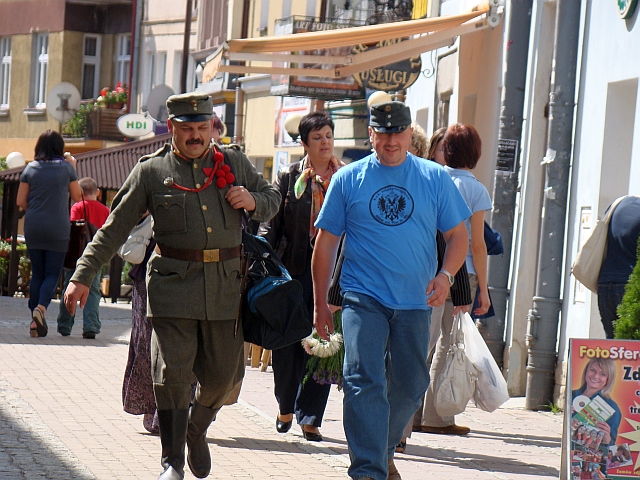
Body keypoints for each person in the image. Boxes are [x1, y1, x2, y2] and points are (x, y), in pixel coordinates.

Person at [64, 92, 280, 480]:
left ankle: (195, 431)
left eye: (202, 127)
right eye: (187, 129)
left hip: (225, 288)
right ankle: (172, 462)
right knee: (171, 374)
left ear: (212, 126)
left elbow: (272, 197)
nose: (196, 136)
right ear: (173, 129)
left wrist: (252, 200)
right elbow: (113, 229)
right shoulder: (151, 171)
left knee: (223, 378)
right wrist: (83, 274)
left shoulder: (233, 162)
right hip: (172, 287)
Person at [312, 101, 471, 480]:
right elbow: (326, 245)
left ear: (409, 134)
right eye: (382, 133)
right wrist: (320, 305)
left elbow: (458, 237)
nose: (390, 141)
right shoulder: (349, 179)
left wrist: (446, 276)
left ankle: (380, 451)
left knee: (412, 383)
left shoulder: (434, 178)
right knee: (362, 378)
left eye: (397, 132)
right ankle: (368, 470)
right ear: (372, 135)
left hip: (417, 300)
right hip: (361, 297)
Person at [264, 111, 343, 442]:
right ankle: (285, 403)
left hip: (331, 275)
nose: (324, 142)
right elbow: (272, 224)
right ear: (304, 143)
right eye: (317, 137)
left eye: (328, 135)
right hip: (292, 273)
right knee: (288, 345)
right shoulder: (289, 178)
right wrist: (264, 263)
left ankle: (311, 416)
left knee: (323, 343)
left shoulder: (346, 178)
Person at [398, 125, 472, 451]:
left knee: (415, 357)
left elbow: (457, 241)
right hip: (381, 287)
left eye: (409, 152)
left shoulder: (435, 185)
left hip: (427, 289)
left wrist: (458, 290)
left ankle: (396, 432)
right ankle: (388, 431)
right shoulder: (373, 182)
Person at [16, 130, 83, 338]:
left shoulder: (30, 168)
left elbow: (20, 201)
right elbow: (77, 195)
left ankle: (35, 323)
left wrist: (37, 207)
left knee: (38, 272)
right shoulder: (66, 169)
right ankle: (41, 309)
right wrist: (73, 168)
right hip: (57, 227)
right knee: (53, 273)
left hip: (34, 225)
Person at [119, 214, 159, 433]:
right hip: (148, 271)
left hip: (187, 271)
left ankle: (168, 413)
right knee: (146, 342)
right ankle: (154, 411)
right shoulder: (150, 181)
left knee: (173, 344)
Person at [57, 177, 110, 338]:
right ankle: (91, 327)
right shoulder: (105, 210)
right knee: (93, 290)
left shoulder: (77, 207)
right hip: (96, 256)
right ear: (98, 192)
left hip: (76, 255)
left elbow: (72, 231)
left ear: (80, 192)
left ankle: (65, 326)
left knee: (69, 287)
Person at [597, 195, 640, 338]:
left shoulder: (620, 204)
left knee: (615, 349)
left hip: (605, 284)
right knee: (633, 351)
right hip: (631, 287)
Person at [572, 357, 621, 446]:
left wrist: (607, 439)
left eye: (603, 374)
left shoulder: (612, 408)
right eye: (592, 370)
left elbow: (610, 448)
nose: (596, 376)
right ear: (586, 371)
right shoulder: (570, 396)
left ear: (608, 379)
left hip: (587, 456)